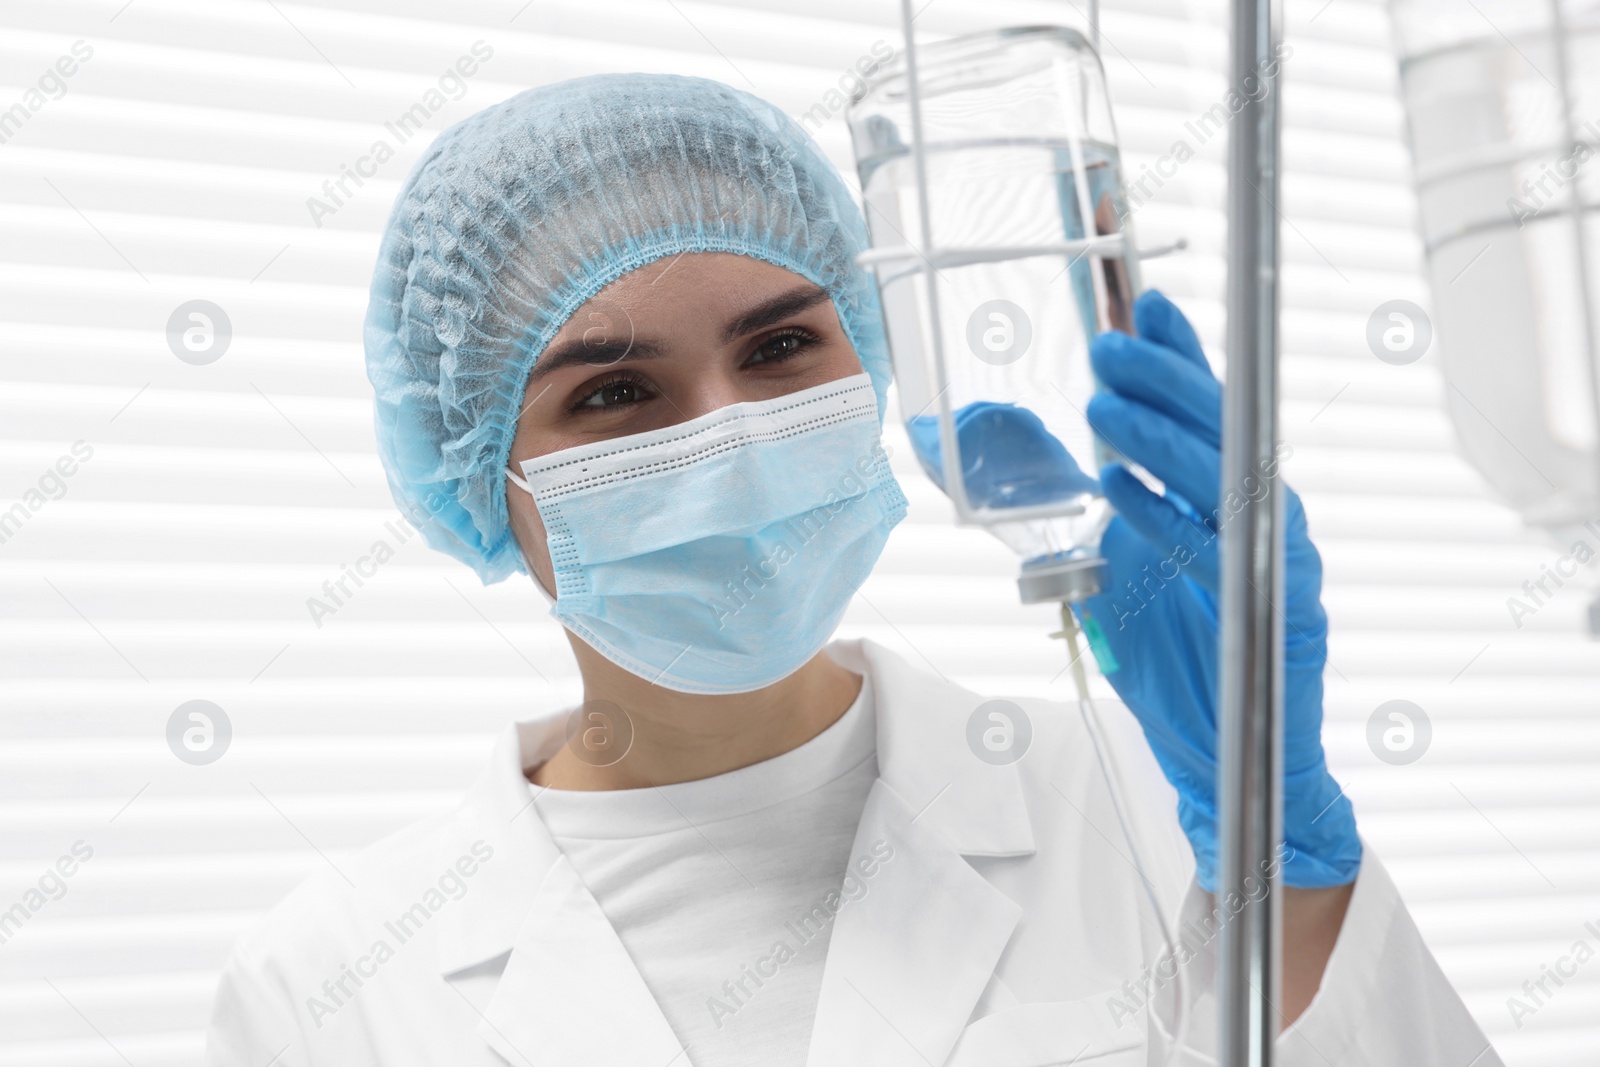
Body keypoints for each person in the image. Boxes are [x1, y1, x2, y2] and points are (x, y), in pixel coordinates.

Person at [207, 73, 1500, 1067]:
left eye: (778, 353)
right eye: (613, 391)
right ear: (474, 470)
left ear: (878, 360)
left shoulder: (1149, 814)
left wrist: (1287, 860)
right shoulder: (332, 982)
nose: (725, 432)